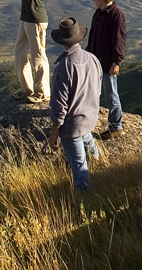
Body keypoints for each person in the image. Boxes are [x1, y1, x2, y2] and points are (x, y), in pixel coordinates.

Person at [48, 17, 102, 191]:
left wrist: (54, 132)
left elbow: (59, 105)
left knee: (79, 168)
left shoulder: (64, 67)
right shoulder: (93, 58)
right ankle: (102, 169)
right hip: (90, 118)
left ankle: (85, 202)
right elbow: (98, 87)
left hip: (72, 126)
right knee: (89, 145)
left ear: (62, 41)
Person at [10, 0, 51, 103]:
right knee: (20, 54)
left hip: (36, 18)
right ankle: (27, 89)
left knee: (38, 56)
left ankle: (42, 92)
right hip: (26, 18)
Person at [85, 0, 127, 140]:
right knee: (92, 91)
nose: (93, 0)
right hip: (95, 60)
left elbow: (119, 40)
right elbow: (93, 37)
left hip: (108, 62)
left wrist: (116, 61)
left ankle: (116, 126)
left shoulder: (116, 15)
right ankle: (89, 121)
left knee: (111, 94)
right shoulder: (99, 12)